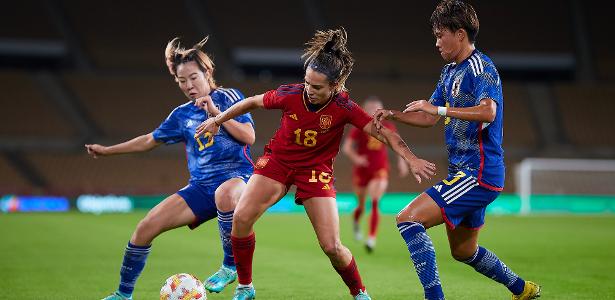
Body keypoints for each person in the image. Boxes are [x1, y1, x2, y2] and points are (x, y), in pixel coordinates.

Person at [195, 28, 436, 300]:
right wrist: (217, 120)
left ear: (335, 86)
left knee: (332, 246)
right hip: (278, 162)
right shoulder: (290, 94)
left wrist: (411, 158)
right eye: (307, 83)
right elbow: (251, 102)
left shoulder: (344, 108)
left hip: (315, 172)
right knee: (241, 218)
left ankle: (359, 292)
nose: (309, 90)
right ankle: (245, 286)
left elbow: (385, 133)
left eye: (317, 87)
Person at [375, 1, 541, 299]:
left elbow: (488, 112)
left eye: (441, 35)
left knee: (408, 218)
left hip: (478, 173)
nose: (437, 43)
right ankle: (522, 289)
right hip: (465, 172)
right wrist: (395, 115)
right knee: (464, 250)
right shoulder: (449, 71)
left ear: (460, 34)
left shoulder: (482, 67)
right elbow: (428, 116)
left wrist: (439, 108)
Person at [87, 37, 255, 300]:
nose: (188, 85)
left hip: (238, 177)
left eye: (193, 77)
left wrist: (216, 113)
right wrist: (108, 150)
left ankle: (229, 266)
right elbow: (148, 141)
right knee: (145, 227)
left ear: (207, 73)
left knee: (225, 193)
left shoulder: (229, 97)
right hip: (201, 187)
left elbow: (249, 137)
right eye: (182, 81)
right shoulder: (181, 115)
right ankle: (123, 294)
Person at [342, 97, 409, 253]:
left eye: (378, 108)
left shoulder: (388, 126)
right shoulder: (359, 127)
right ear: (365, 110)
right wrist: (356, 158)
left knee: (374, 202)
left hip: (380, 169)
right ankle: (356, 222)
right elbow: (347, 148)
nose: (375, 110)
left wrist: (402, 161)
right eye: (371, 108)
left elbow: (397, 144)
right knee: (361, 205)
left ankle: (371, 238)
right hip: (362, 171)